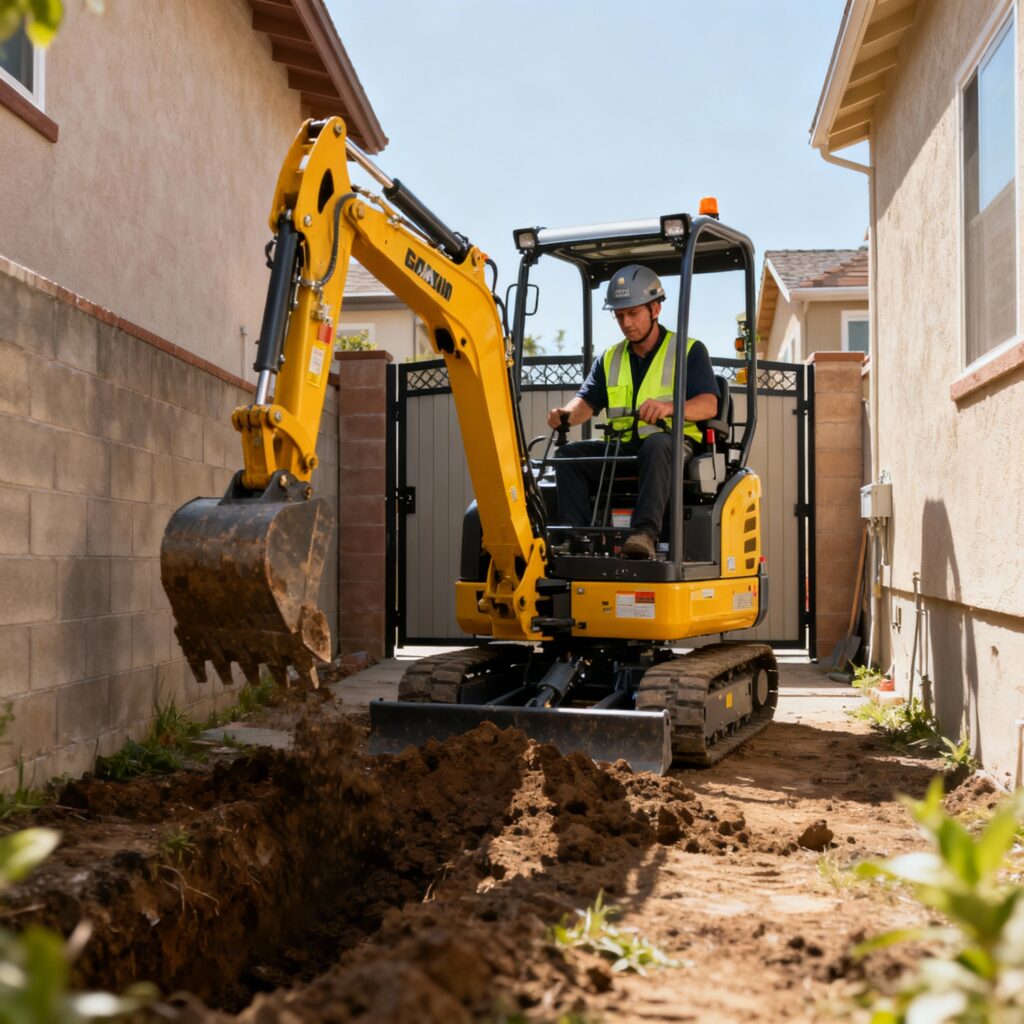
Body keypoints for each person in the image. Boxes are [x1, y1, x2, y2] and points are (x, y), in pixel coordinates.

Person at [546, 264, 719, 559]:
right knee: (568, 456)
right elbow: (585, 402)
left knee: (656, 444)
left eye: (633, 313)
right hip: (624, 448)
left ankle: (643, 535)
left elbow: (710, 404)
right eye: (619, 315)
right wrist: (565, 414)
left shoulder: (688, 351)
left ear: (655, 309)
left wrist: (669, 408)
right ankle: (575, 539)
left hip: (673, 446)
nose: (626, 323)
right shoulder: (610, 358)